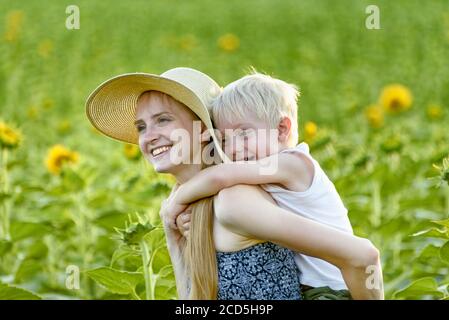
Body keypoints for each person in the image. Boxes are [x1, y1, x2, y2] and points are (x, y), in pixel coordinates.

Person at [86, 67, 384, 300]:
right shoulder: (193, 211)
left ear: (203, 130)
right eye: (141, 127)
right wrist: (172, 237)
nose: (148, 136)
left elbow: (363, 256)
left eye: (163, 120)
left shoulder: (234, 200)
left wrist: (173, 206)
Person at [164, 72, 359, 299]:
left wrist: (176, 200)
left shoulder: (293, 163)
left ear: (281, 129)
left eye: (244, 133)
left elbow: (221, 176)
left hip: (332, 290)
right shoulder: (265, 177)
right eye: (225, 140)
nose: (233, 149)